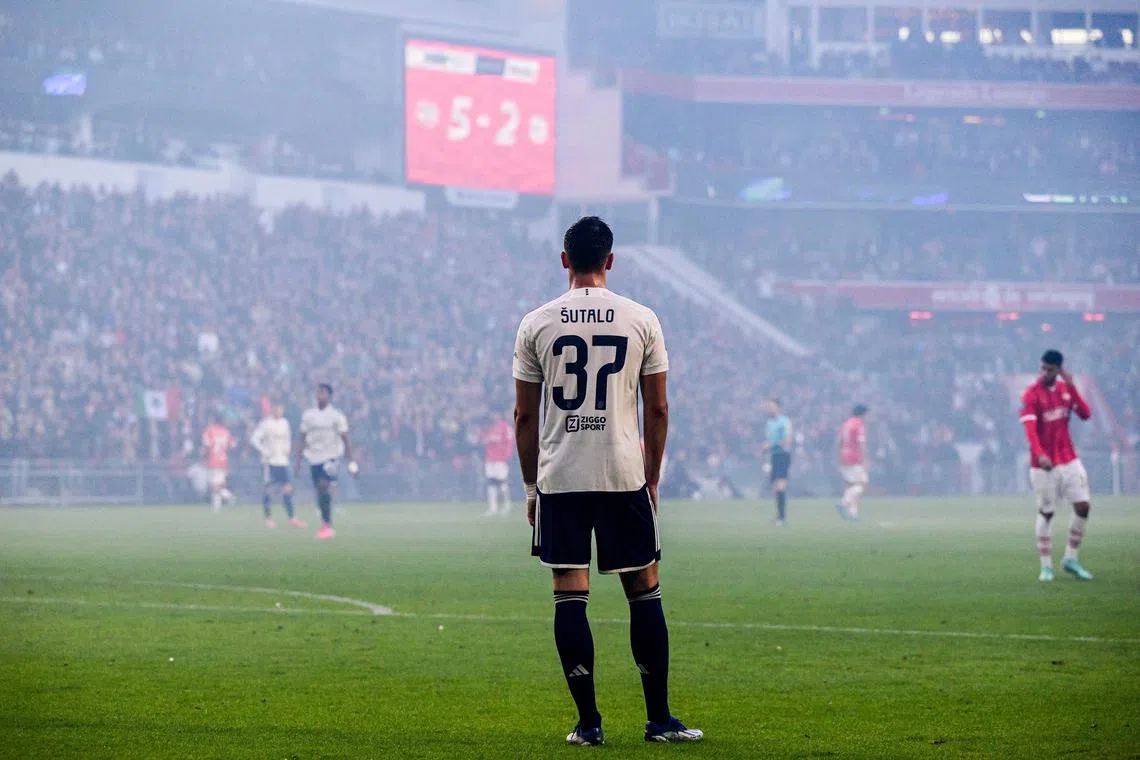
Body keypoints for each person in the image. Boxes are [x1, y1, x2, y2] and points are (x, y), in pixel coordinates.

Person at [513, 216, 702, 747]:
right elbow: (658, 406)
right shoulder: (641, 318)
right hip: (623, 473)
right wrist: (653, 479)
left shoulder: (536, 323)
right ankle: (660, 719)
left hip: (563, 474)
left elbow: (524, 418)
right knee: (643, 589)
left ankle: (589, 724)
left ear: (564, 261)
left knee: (570, 593)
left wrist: (531, 489)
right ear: (611, 261)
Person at [1020, 349, 1095, 582]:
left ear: (1059, 370)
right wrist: (1041, 455)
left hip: (1069, 459)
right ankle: (1046, 567)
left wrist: (1072, 385)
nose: (1043, 373)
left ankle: (1070, 559)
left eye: (1049, 370)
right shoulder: (1031, 394)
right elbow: (1030, 431)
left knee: (1083, 506)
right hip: (1043, 465)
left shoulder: (1065, 390)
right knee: (1047, 512)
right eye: (1041, 368)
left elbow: (1085, 413)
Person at [295, 384, 356, 540]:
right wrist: (298, 460)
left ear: (330, 396)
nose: (319, 395)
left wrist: (351, 460)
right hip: (314, 457)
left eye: (323, 392)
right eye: (318, 392)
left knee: (324, 484)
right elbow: (302, 438)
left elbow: (345, 438)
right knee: (319, 490)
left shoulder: (336, 416)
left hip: (331, 456)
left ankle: (327, 526)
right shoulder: (308, 415)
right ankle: (325, 520)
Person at [250, 403, 304, 529]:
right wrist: (264, 450)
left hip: (283, 461)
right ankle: (268, 518)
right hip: (269, 462)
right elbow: (254, 439)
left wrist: (288, 448)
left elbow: (288, 438)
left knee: (288, 488)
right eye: (277, 409)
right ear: (272, 410)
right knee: (268, 490)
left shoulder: (285, 423)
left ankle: (292, 518)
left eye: (281, 409)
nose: (279, 411)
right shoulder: (265, 423)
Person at [763, 398, 793, 525]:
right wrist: (765, 448)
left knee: (780, 485)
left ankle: (782, 517)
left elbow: (787, 440)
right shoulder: (769, 423)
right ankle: (779, 515)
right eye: (768, 406)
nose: (769, 409)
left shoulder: (784, 421)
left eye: (771, 406)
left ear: (778, 408)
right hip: (774, 456)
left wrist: (770, 446)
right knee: (776, 487)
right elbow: (769, 441)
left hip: (783, 455)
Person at [837, 404, 869, 521]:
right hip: (855, 458)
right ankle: (843, 502)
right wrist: (865, 459)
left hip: (844, 456)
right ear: (863, 414)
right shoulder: (859, 424)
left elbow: (839, 442)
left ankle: (853, 514)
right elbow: (861, 443)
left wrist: (839, 456)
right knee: (861, 484)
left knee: (850, 486)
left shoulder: (845, 424)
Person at [479, 414, 514, 516]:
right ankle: (492, 508)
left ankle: (506, 505)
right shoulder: (487, 428)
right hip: (490, 460)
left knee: (502, 483)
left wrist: (507, 457)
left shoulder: (505, 427)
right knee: (491, 483)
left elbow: (510, 442)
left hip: (501, 460)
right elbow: (482, 440)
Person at [202, 414, 236, 512]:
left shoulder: (209, 430)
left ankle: (229, 496)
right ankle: (216, 508)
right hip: (224, 460)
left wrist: (205, 457)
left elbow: (207, 445)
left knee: (214, 485)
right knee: (219, 484)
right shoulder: (226, 431)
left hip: (213, 460)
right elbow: (233, 445)